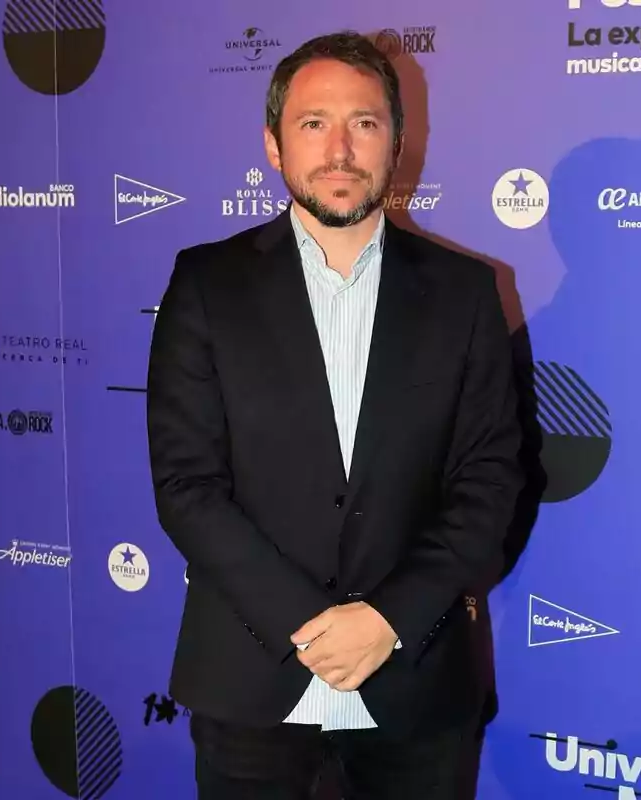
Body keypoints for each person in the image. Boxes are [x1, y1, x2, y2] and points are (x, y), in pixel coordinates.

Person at [146, 30, 524, 800]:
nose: (341, 148)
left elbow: (490, 483)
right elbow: (187, 485)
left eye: (366, 123)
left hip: (418, 690)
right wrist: (312, 626)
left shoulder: (465, 294)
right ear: (274, 145)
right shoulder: (205, 284)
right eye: (314, 123)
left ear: (399, 142)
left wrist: (386, 620)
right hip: (252, 689)